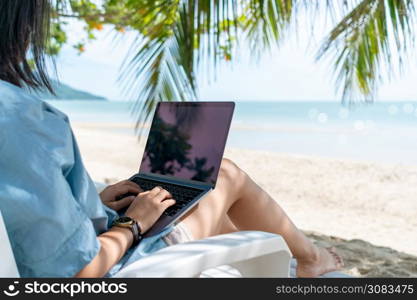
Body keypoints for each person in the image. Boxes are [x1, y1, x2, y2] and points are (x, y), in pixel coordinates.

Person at [0, 0, 343, 277]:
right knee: (225, 174)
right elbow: (79, 273)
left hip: (81, 244)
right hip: (122, 266)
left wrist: (96, 201)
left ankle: (280, 262)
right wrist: (135, 222)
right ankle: (311, 261)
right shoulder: (19, 119)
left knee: (197, 200)